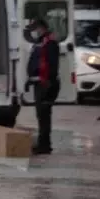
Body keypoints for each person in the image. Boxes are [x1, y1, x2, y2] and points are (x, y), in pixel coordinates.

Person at [25, 17, 60, 155]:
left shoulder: (50, 43)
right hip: (39, 84)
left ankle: (44, 146)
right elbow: (36, 63)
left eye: (35, 29)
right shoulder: (40, 42)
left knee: (44, 116)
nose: (34, 32)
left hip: (46, 85)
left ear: (41, 28)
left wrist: (48, 87)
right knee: (41, 116)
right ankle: (43, 144)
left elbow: (52, 67)